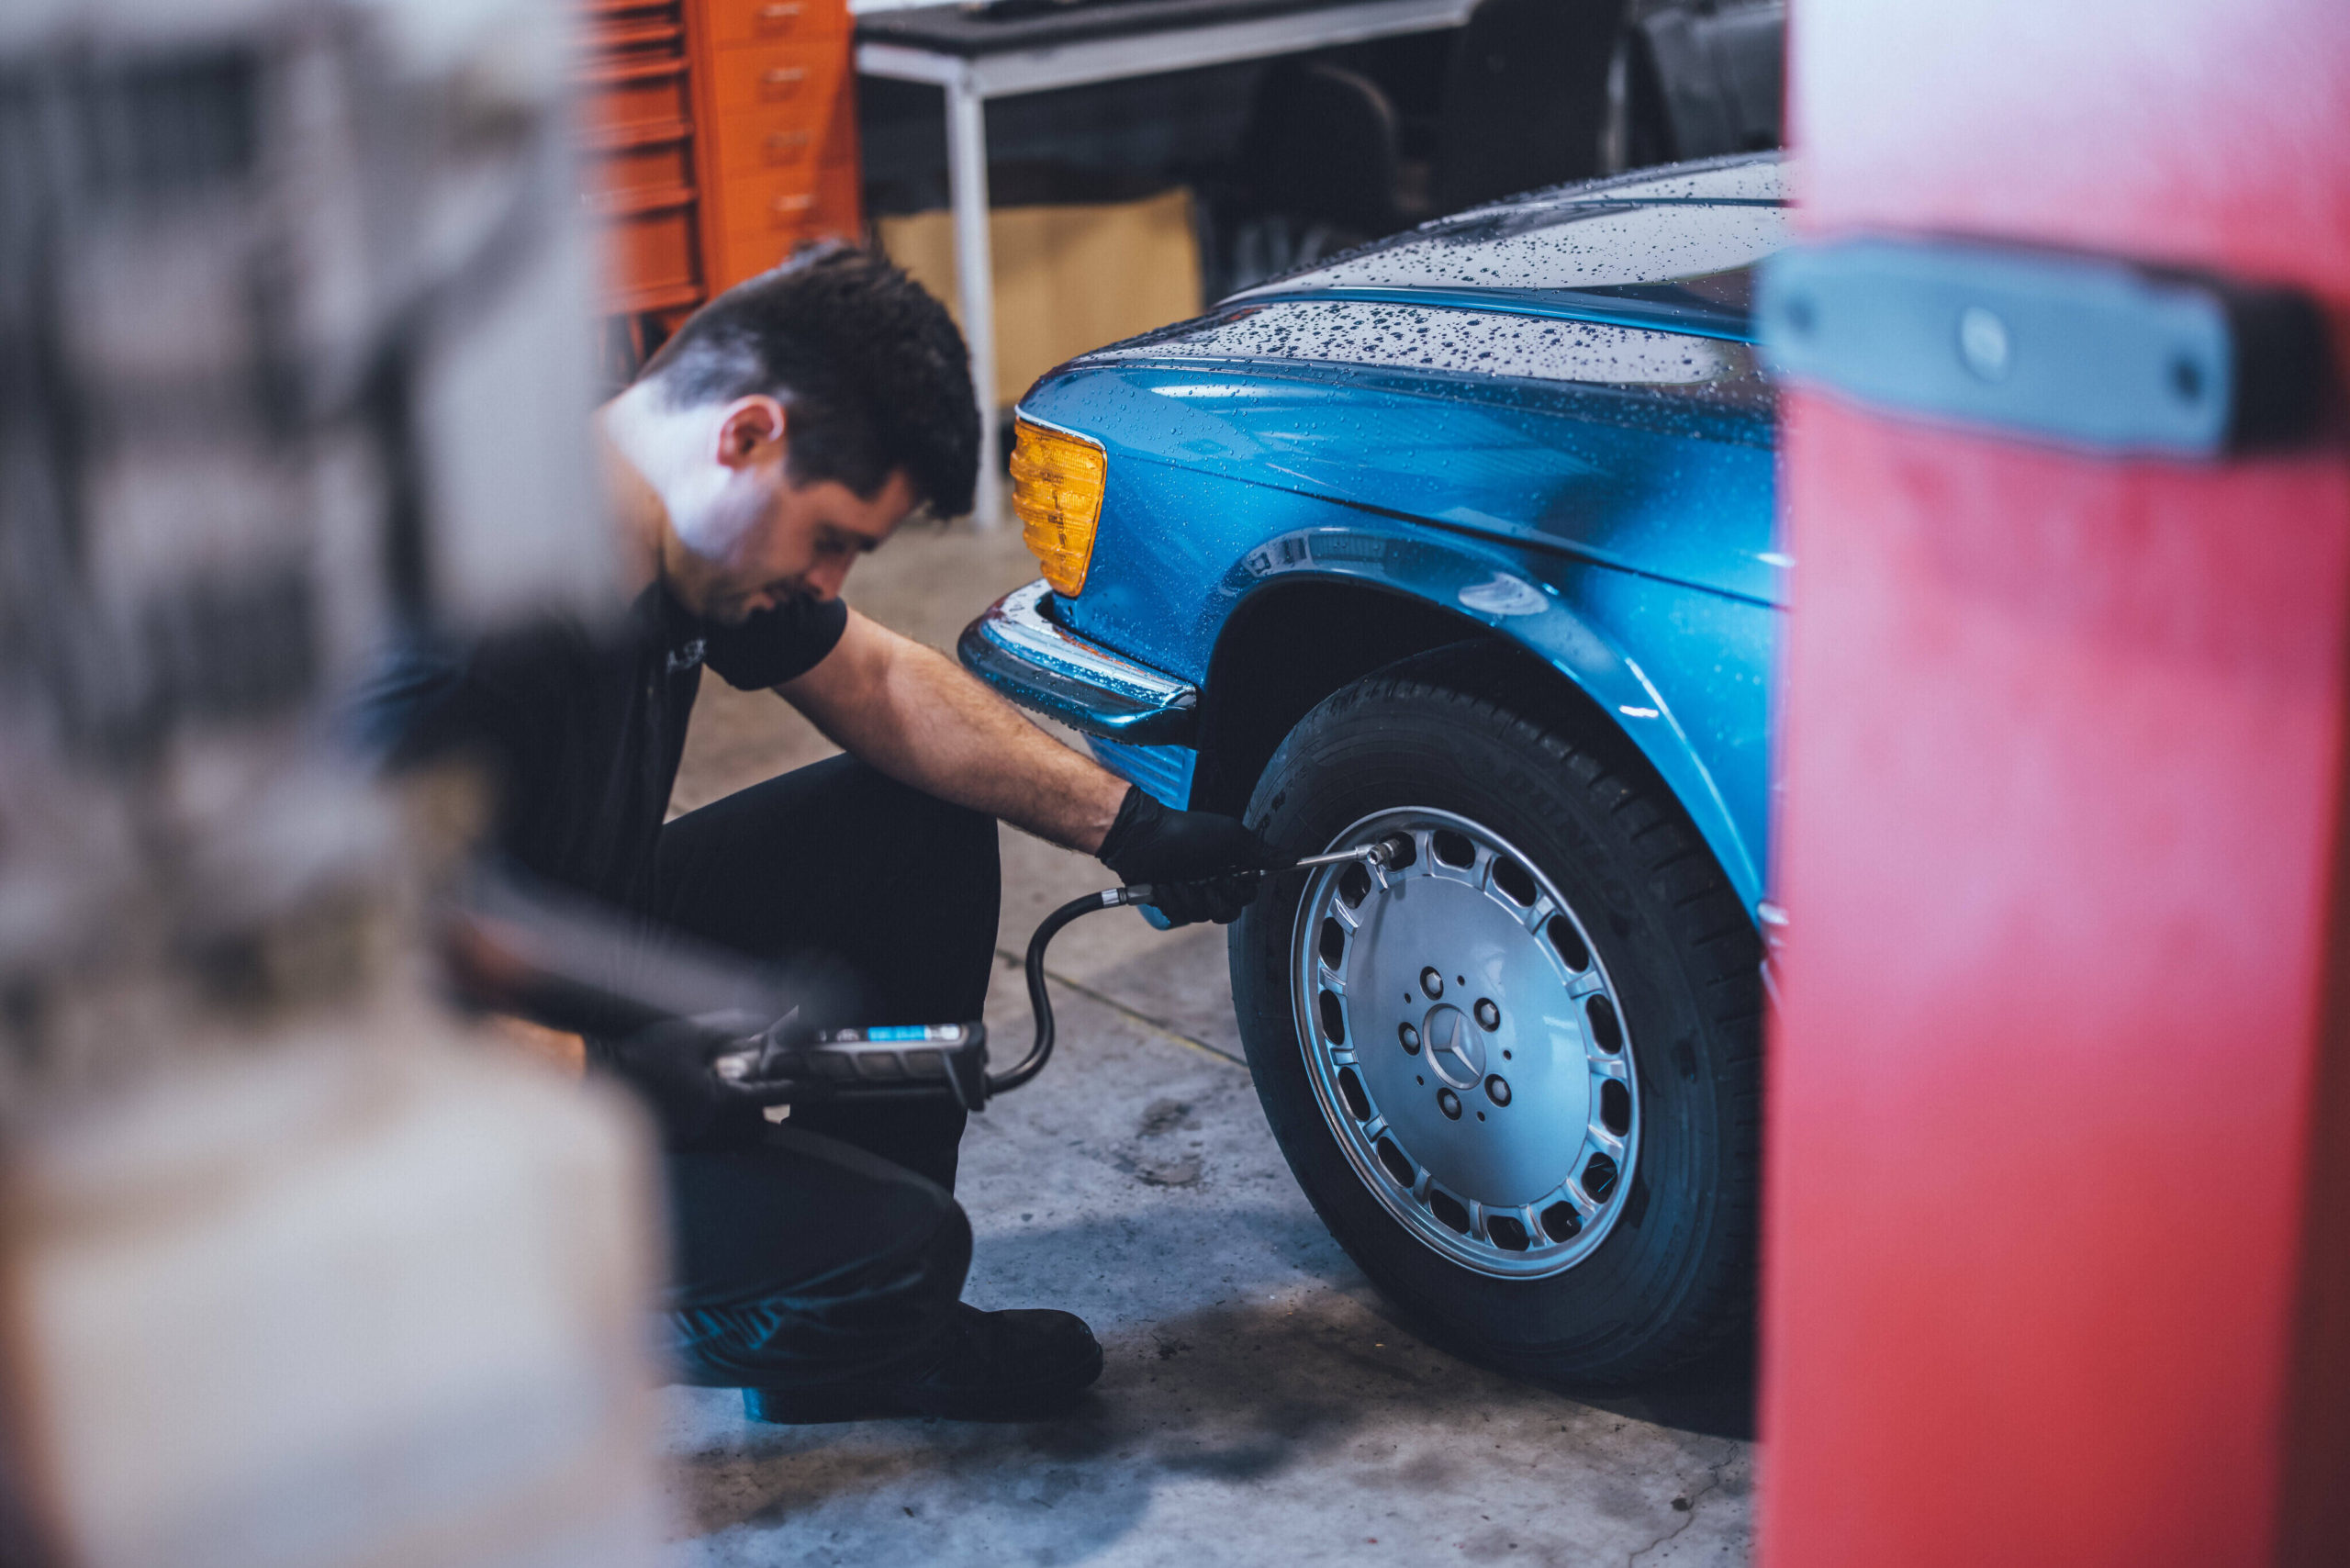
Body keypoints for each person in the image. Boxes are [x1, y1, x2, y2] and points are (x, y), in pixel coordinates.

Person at [356, 242, 1270, 1423]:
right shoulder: (457, 624)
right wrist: (610, 1074)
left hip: (558, 959)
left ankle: (851, 1356)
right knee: (887, 1260)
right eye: (830, 537)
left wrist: (1131, 825)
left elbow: (880, 684)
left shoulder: (678, 537)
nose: (828, 577)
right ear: (745, 437)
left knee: (916, 820)